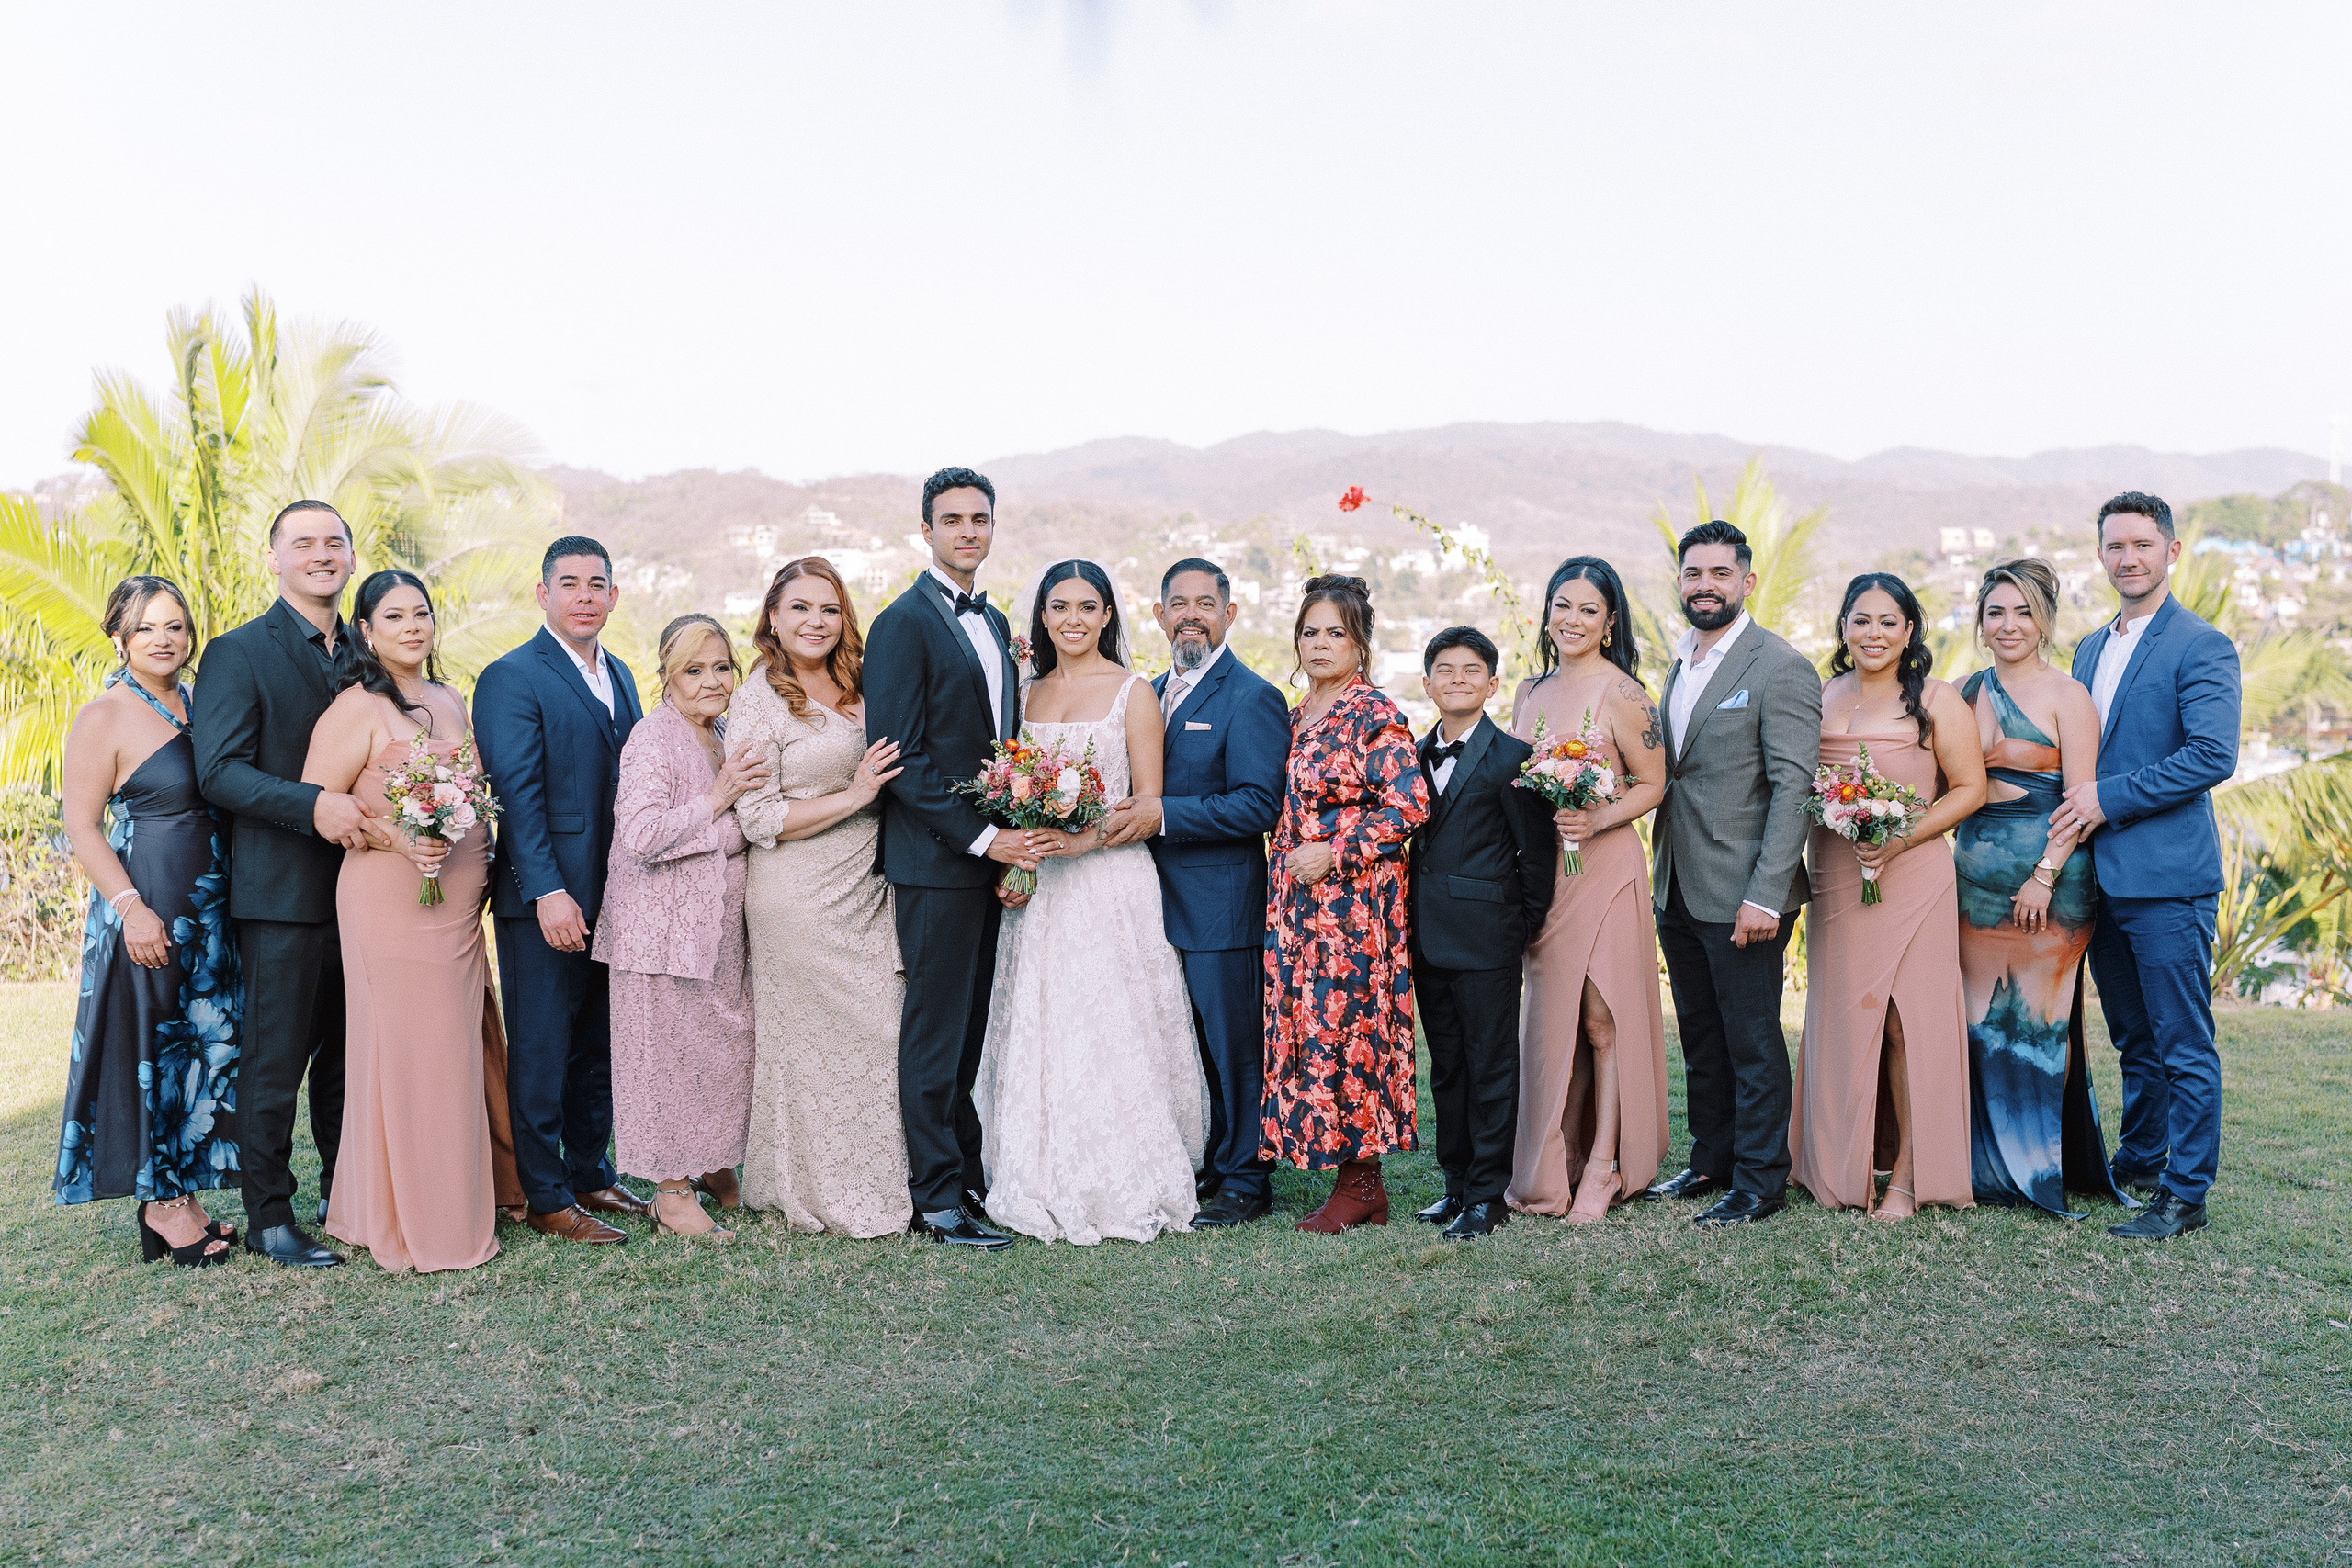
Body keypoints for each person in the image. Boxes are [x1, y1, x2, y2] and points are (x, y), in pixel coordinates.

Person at [973, 559, 1209, 1244]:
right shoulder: (1025, 692)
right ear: (1042, 617)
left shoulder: (1134, 692)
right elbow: (1011, 786)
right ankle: (1037, 1166)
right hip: (1041, 887)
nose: (1072, 619)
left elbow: (1144, 804)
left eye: (1087, 606)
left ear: (1108, 615)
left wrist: (1078, 842)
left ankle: (1123, 1170)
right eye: (1059, 607)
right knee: (1042, 1023)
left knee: (1110, 1024)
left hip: (1108, 882)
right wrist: (1018, 853)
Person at [862, 468, 1048, 1249]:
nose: (968, 530)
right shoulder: (902, 622)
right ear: (926, 530)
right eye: (953, 519)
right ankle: (935, 1200)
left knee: (969, 1030)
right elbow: (900, 758)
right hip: (934, 862)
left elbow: (995, 743)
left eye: (980, 518)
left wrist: (1009, 846)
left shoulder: (997, 618)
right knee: (935, 1033)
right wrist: (983, 839)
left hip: (984, 862)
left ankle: (964, 1175)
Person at [194, 499, 378, 1268]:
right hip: (281, 895)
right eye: (303, 543)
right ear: (274, 559)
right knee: (275, 1062)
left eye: (334, 541)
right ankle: (271, 1216)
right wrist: (316, 805)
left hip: (368, 892)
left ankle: (346, 1196)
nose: (321, 553)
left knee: (347, 1056)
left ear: (350, 557)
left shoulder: (367, 654)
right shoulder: (238, 652)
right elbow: (219, 772)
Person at [2052, 492, 2240, 1241]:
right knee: (2133, 1036)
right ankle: (2142, 1154)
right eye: (2114, 547)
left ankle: (2185, 1195)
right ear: (2101, 555)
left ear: (2171, 550)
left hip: (2169, 880)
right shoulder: (2090, 649)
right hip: (2101, 879)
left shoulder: (2201, 644)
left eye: (2141, 544)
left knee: (2182, 1041)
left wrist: (2107, 799)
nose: (2127, 558)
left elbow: (2210, 755)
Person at [303, 570, 500, 1272]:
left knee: (452, 1049)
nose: (413, 626)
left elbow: (474, 792)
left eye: (422, 613)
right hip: (389, 898)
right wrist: (397, 837)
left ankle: (462, 1196)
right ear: (366, 630)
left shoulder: (452, 698)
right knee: (408, 1051)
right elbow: (317, 804)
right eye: (395, 615)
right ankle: (408, 1215)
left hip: (457, 906)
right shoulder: (357, 707)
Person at [1099, 557, 1291, 1229]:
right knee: (1180, 1040)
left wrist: (1166, 815)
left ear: (1229, 615)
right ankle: (1210, 1155)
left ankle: (1247, 1177)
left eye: (1205, 603)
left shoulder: (1253, 697)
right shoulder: (1145, 691)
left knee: (1233, 1043)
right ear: (1157, 615)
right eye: (1177, 602)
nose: (1191, 614)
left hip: (1220, 903)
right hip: (1146, 901)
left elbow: (1257, 806)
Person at [55, 576, 241, 1265]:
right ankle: (160, 1206)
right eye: (148, 629)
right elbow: (82, 823)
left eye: (176, 627)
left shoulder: (197, 702)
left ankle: (184, 1195)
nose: (165, 640)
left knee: (197, 1049)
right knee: (151, 1049)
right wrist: (131, 908)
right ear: (119, 638)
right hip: (147, 905)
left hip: (210, 911)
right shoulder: (104, 715)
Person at [1790, 573, 1986, 1219]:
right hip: (1838, 876)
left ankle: (1907, 1175)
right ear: (1843, 627)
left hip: (1912, 877)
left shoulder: (1936, 699)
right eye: (1861, 620)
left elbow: (1967, 790)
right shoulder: (1820, 697)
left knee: (1905, 1023)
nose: (1873, 633)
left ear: (1909, 632)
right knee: (1845, 1017)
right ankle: (1837, 1162)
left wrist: (1899, 837)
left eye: (1887, 622)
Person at [1645, 519, 1821, 1226]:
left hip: (1746, 888)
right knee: (1699, 1031)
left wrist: (1766, 893)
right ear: (1681, 581)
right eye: (1694, 573)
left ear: (1747, 581)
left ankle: (1759, 1180)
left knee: (1750, 1037)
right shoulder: (1678, 661)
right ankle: (1710, 1156)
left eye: (1721, 573)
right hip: (1678, 881)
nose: (1705, 585)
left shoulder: (1779, 666)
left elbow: (1793, 787)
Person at [474, 536, 649, 1246]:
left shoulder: (625, 674)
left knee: (596, 1045)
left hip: (619, 895)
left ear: (614, 595)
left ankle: (588, 1169)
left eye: (596, 583)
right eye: (569, 582)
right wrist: (546, 889)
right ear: (543, 594)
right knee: (544, 1046)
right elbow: (514, 792)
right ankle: (545, 1194)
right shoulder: (511, 675)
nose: (584, 594)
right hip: (544, 900)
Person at [729, 558, 911, 1236]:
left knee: (884, 1028)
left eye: (829, 609)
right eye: (800, 607)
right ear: (773, 616)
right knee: (815, 1042)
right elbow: (760, 819)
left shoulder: (863, 680)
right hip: (797, 894)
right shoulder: (758, 698)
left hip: (869, 882)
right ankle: (821, 1189)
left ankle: (887, 1179)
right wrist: (858, 794)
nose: (816, 621)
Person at [1954, 559, 2132, 1217]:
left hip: (2051, 886)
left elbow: (2081, 801)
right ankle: (1980, 1168)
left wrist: (2044, 874)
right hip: (1972, 884)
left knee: (2036, 1025)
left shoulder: (2068, 697)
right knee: (1979, 1021)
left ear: (2045, 621)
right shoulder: (1963, 690)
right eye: (1996, 612)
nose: (2009, 625)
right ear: (1980, 619)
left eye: (2023, 612)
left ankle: (2036, 1172)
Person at [1504, 558, 1672, 1226]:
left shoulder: (1626, 695)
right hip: (1547, 876)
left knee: (1602, 1018)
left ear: (1609, 622)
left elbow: (1655, 782)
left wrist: (1595, 816)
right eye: (1561, 605)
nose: (1571, 620)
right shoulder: (1529, 691)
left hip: (1604, 869)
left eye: (1587, 610)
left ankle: (1605, 1162)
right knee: (1553, 1022)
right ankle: (1555, 1162)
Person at [1262, 574, 1431, 1232]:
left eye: (1336, 632)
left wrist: (1335, 851)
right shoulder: (1293, 713)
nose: (1321, 643)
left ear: (1360, 643)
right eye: (1311, 632)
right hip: (1297, 907)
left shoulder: (1374, 712)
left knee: (1351, 1033)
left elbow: (1410, 803)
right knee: (1309, 1032)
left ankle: (1362, 1183)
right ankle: (1349, 1179)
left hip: (1354, 907)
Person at [596, 615, 768, 1239]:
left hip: (719, 928)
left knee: (724, 1047)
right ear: (668, 676)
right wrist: (720, 802)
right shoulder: (652, 739)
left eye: (722, 667)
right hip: (661, 931)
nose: (711, 680)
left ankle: (715, 1162)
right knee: (667, 1060)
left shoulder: (723, 731)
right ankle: (671, 1193)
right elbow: (641, 836)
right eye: (694, 670)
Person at [1407, 626, 1554, 1241]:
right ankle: (1455, 1182)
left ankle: (1488, 1194)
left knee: (1491, 1065)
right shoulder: (1412, 753)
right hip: (1427, 935)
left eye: (1471, 671)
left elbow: (1536, 859)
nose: (1457, 679)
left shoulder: (1513, 757)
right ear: (1428, 682)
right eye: (1445, 669)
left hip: (1488, 936)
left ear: (1493, 684)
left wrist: (1516, 927)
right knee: (1447, 1067)